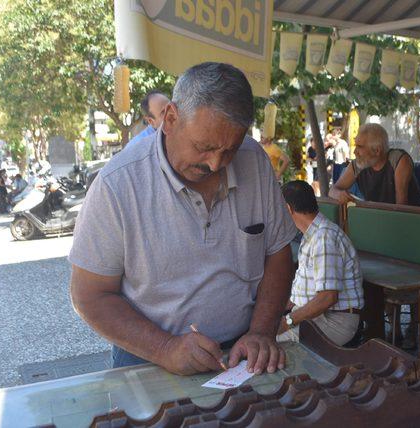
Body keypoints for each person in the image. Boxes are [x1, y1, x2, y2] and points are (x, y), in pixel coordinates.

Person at [69, 62, 297, 376]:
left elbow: (278, 252)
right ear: (171, 118)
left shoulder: (253, 159)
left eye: (229, 150)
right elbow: (89, 295)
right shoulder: (118, 185)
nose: (216, 163)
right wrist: (165, 348)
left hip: (243, 351)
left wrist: (261, 331)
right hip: (147, 357)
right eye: (204, 147)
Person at [277, 180, 363, 346]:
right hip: (319, 319)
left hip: (336, 322)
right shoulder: (313, 235)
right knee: (260, 337)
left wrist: (287, 322)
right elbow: (303, 294)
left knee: (267, 345)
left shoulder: (324, 238)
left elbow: (327, 297)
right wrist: (273, 311)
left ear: (288, 209)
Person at [329, 123, 420, 206]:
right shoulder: (358, 165)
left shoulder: (398, 161)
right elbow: (333, 190)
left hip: (413, 221)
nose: (355, 152)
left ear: (377, 150)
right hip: (380, 218)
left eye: (360, 147)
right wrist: (338, 194)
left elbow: (401, 207)